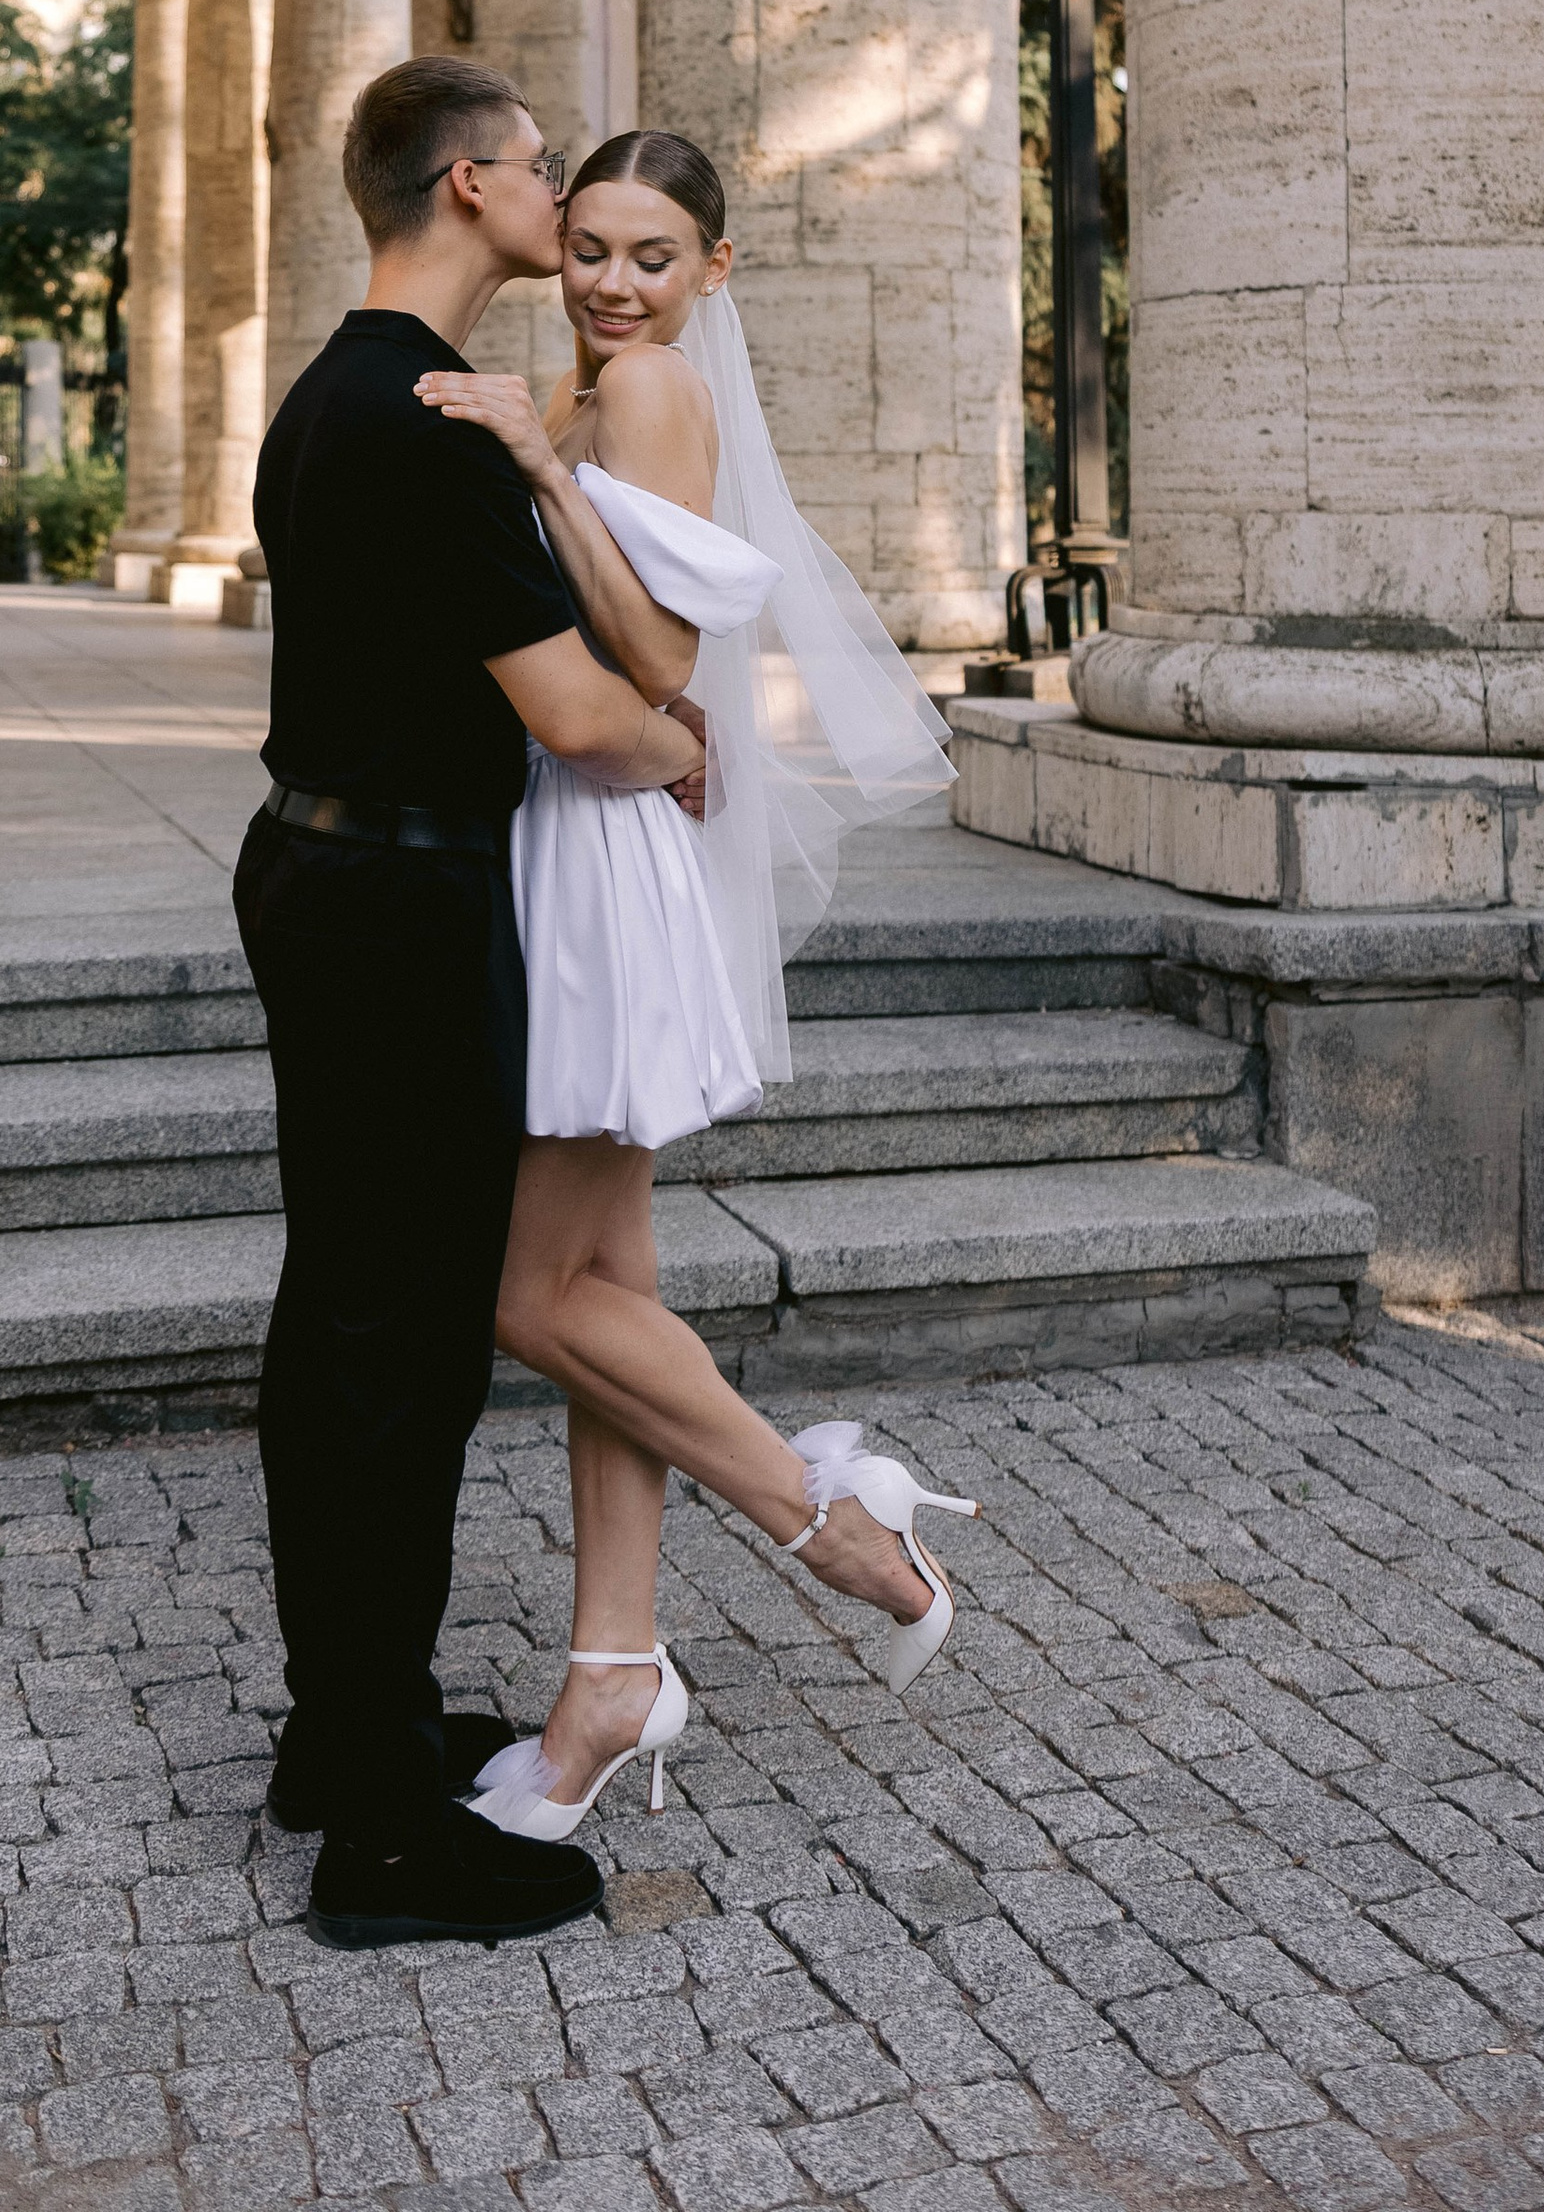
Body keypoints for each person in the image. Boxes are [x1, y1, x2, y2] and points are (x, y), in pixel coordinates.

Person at [416, 129, 974, 1843]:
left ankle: (838, 1526)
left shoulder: (640, 395)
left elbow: (657, 659)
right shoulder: (595, 394)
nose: (610, 282)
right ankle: (614, 1667)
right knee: (604, 1301)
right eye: (588, 245)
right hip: (572, 838)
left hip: (605, 863)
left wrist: (534, 456)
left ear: (712, 274)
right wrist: (539, 440)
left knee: (530, 1302)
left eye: (652, 255)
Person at [236, 59, 709, 1951]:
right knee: (400, 1347)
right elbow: (587, 715)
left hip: (339, 871)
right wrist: (690, 746)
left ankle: (341, 1728)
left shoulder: (340, 390)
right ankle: (379, 1830)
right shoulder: (426, 421)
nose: (554, 196)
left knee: (347, 1310)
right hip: (398, 903)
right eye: (533, 169)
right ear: (468, 186)